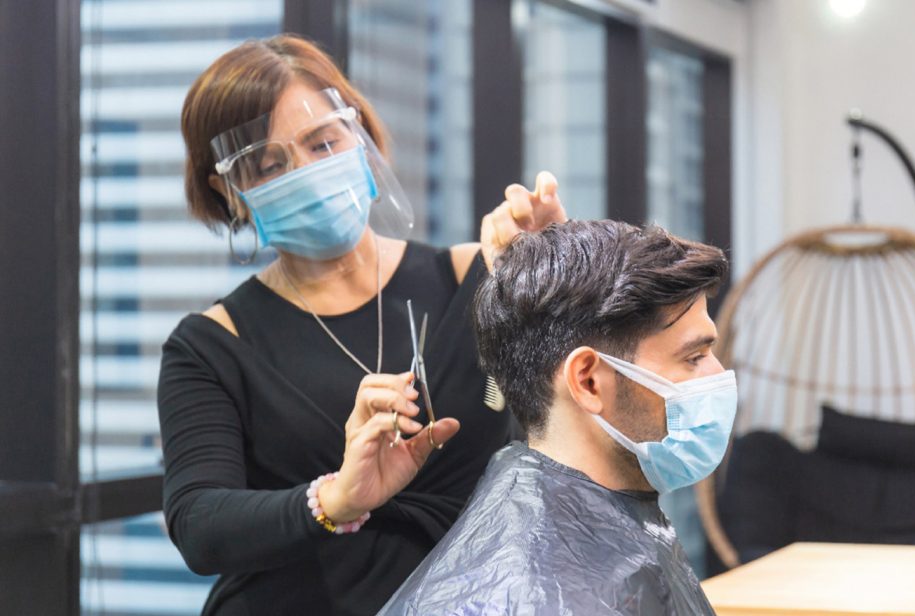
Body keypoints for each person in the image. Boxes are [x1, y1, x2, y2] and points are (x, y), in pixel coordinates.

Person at [157, 34, 565, 616]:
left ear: (361, 135)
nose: (307, 171)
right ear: (230, 193)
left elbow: (586, 404)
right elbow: (199, 523)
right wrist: (334, 500)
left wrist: (554, 273)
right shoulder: (212, 345)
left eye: (324, 142)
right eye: (271, 165)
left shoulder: (472, 277)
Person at [379, 220, 735, 615]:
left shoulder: (596, 533)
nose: (718, 375)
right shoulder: (539, 597)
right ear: (588, 381)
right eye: (693, 357)